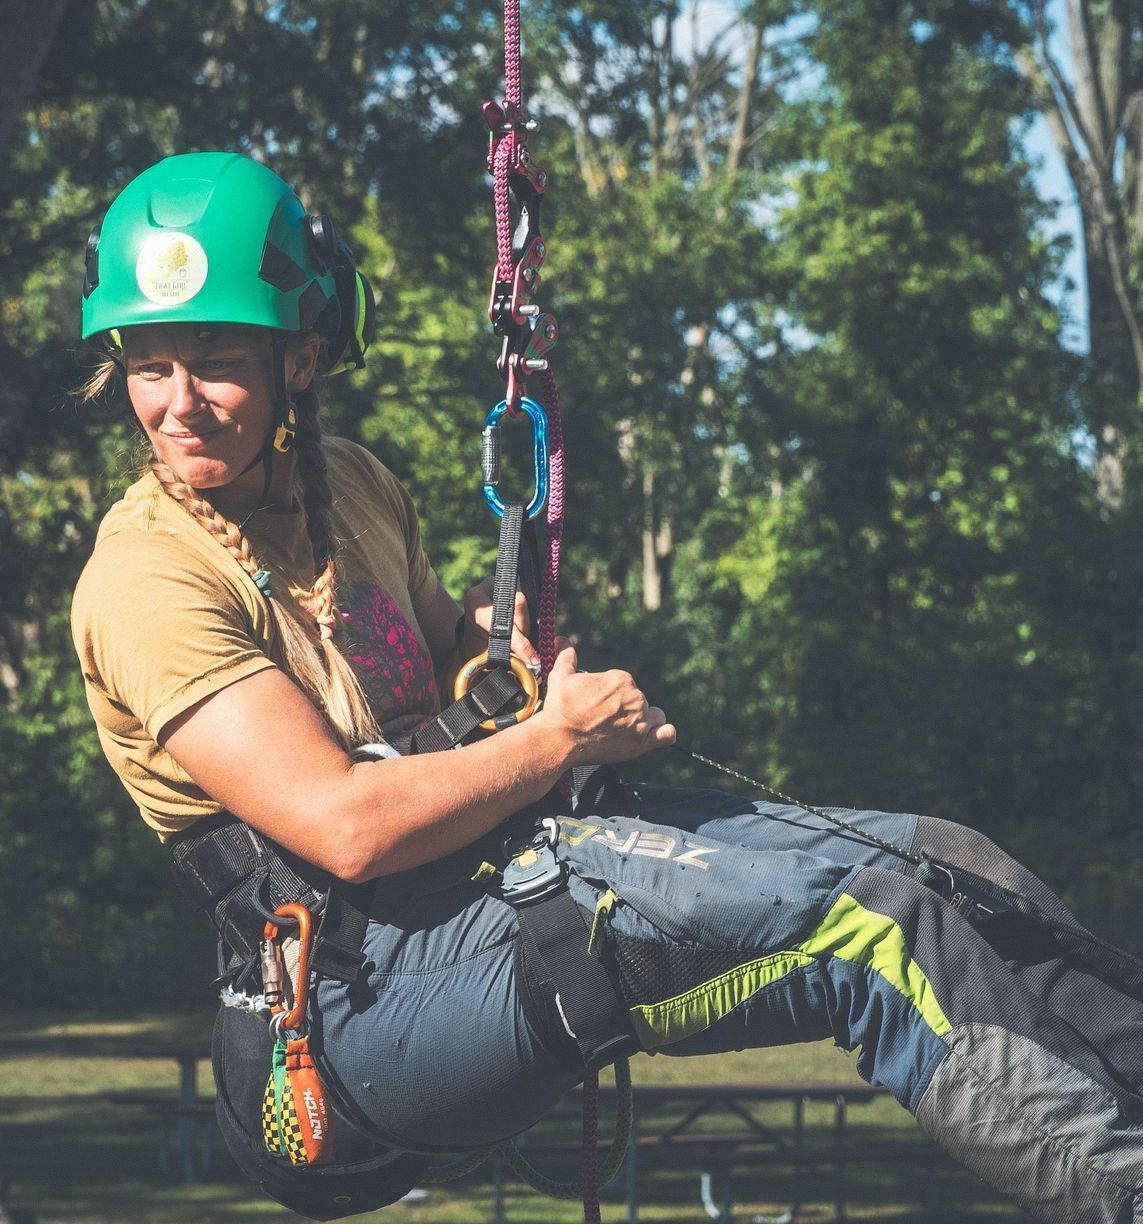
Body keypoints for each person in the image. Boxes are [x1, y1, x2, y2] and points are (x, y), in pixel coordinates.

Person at [71, 152, 1143, 1223]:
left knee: (944, 862)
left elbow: (445, 652)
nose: (177, 404)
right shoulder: (148, 579)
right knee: (867, 928)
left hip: (482, 877)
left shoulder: (349, 484)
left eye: (214, 360)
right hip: (350, 1010)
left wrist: (501, 654)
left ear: (298, 357)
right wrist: (556, 741)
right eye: (147, 365)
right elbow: (345, 828)